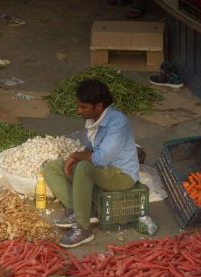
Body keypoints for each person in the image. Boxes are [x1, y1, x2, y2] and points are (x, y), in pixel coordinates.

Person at [43, 79, 139, 248]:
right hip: (102, 171)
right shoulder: (93, 120)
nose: (79, 111)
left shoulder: (118, 123)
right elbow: (90, 149)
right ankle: (81, 211)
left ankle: (83, 228)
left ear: (99, 106)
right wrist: (76, 157)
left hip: (121, 175)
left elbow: (100, 158)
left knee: (83, 166)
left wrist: (76, 156)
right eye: (79, 106)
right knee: (52, 168)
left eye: (84, 107)